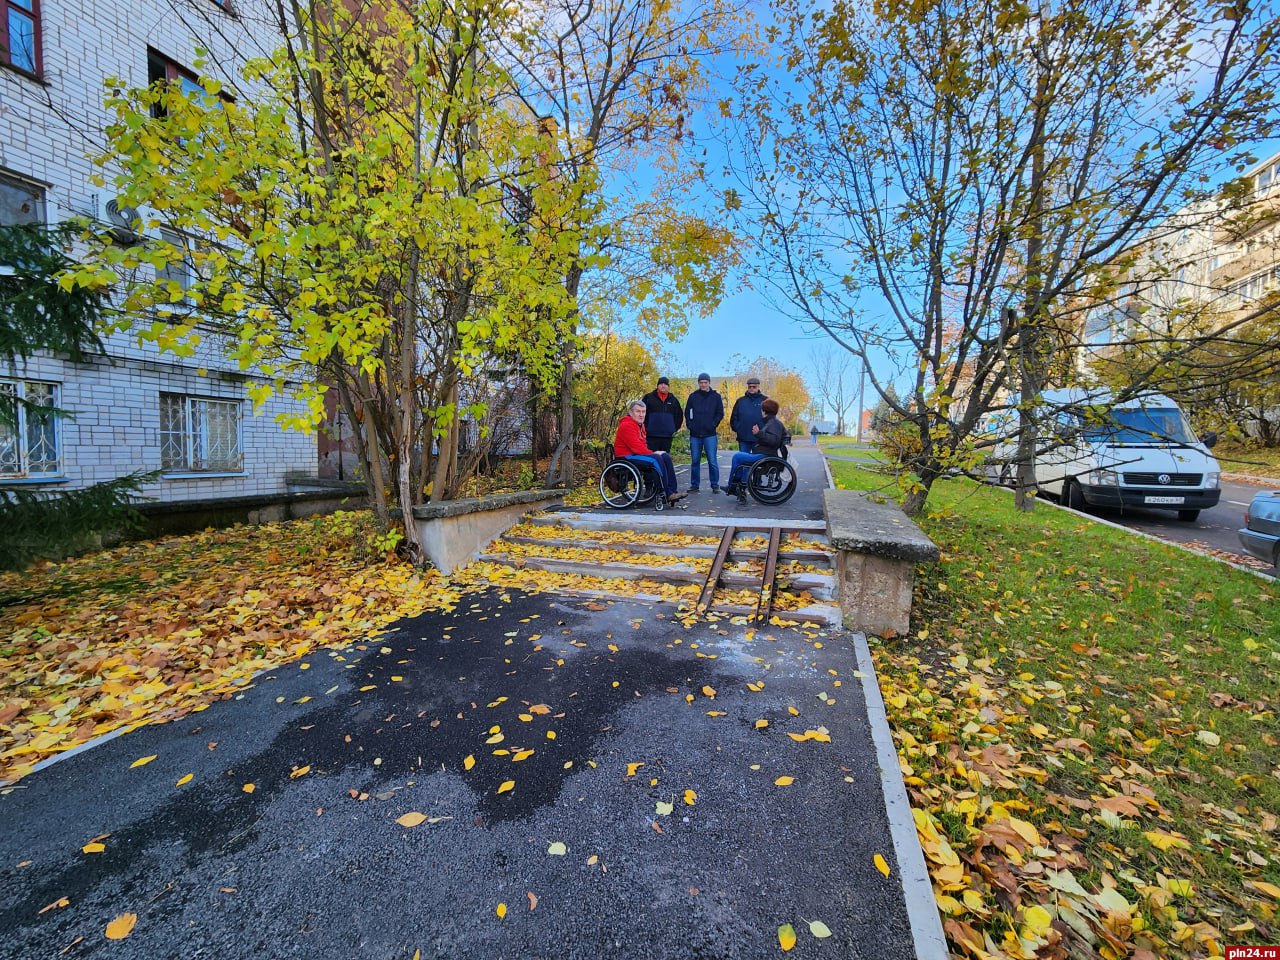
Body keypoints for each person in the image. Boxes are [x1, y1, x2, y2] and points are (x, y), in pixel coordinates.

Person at [614, 400, 684, 505]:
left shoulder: (640, 425)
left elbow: (642, 446)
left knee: (665, 456)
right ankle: (665, 492)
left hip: (635, 454)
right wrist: (654, 453)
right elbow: (636, 448)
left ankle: (672, 491)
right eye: (638, 411)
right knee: (656, 459)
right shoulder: (627, 425)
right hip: (626, 457)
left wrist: (655, 452)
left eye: (643, 412)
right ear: (631, 412)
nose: (641, 415)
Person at [725, 398, 788, 504]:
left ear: (764, 411)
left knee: (738, 457)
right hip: (765, 454)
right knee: (740, 457)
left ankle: (732, 486)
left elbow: (773, 441)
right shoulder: (773, 423)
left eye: (762, 410)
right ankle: (735, 485)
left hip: (765, 456)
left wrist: (759, 433)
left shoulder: (774, 424)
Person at [684, 373, 724, 492]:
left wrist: (713, 424)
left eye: (705, 382)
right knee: (695, 461)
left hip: (710, 434)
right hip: (695, 434)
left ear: (709, 383)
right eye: (701, 382)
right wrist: (690, 425)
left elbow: (720, 413)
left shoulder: (716, 397)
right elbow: (687, 412)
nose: (703, 384)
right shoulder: (693, 396)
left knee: (712, 461)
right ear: (698, 383)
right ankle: (695, 485)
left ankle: (715, 484)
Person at [641, 376, 683, 452]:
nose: (663, 386)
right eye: (661, 384)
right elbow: (641, 413)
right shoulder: (648, 398)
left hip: (667, 436)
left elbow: (679, 415)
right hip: (651, 436)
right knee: (652, 457)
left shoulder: (673, 400)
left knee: (664, 458)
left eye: (665, 384)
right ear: (657, 386)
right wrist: (645, 428)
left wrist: (674, 429)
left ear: (668, 386)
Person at [729, 377, 767, 452]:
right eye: (750, 387)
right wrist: (737, 428)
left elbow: (770, 417)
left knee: (758, 462)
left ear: (758, 387)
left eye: (754, 387)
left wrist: (765, 432)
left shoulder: (765, 400)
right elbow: (734, 417)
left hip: (759, 438)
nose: (752, 388)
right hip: (743, 437)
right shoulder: (740, 401)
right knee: (744, 461)